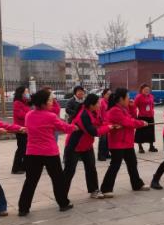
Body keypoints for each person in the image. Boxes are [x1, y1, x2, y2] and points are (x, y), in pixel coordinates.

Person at [17, 88, 77, 216]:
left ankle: (23, 208)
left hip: (32, 153)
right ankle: (63, 203)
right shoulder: (50, 116)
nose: (52, 102)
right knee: (58, 179)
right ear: (43, 103)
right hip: (50, 153)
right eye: (50, 100)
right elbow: (64, 128)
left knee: (30, 181)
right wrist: (74, 127)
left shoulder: (29, 115)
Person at [100, 88, 151, 196]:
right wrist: (142, 123)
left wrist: (132, 107)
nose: (129, 99)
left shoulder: (123, 108)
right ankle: (106, 189)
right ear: (121, 99)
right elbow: (128, 122)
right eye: (127, 97)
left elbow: (132, 117)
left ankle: (137, 184)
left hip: (127, 142)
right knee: (115, 165)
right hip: (118, 143)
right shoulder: (114, 110)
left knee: (132, 163)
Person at [62, 93, 110, 199]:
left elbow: (100, 123)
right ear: (91, 105)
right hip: (74, 146)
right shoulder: (83, 115)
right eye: (97, 103)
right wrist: (109, 128)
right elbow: (93, 132)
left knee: (91, 168)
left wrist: (108, 125)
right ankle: (61, 195)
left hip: (87, 145)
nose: (99, 105)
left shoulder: (94, 111)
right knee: (69, 171)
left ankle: (94, 190)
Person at [11, 86, 31, 173]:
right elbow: (20, 115)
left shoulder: (25, 103)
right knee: (21, 149)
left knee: (26, 148)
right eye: (26, 92)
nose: (27, 93)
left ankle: (24, 166)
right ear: (21, 93)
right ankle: (15, 168)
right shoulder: (17, 103)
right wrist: (30, 114)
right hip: (20, 129)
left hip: (26, 129)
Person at [134, 84, 158, 153]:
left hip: (150, 116)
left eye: (148, 89)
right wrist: (134, 116)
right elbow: (134, 106)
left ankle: (151, 146)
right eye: (145, 89)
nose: (147, 91)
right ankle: (140, 147)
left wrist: (152, 112)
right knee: (140, 132)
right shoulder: (138, 97)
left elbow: (152, 105)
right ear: (141, 90)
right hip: (142, 117)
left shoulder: (151, 96)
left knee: (151, 132)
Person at [97, 88, 112, 160]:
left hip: (109, 124)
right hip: (102, 124)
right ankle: (101, 155)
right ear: (104, 95)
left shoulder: (110, 102)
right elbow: (98, 113)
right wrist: (101, 122)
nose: (109, 96)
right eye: (107, 94)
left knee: (107, 140)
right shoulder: (101, 102)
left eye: (110, 94)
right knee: (102, 140)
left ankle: (106, 153)